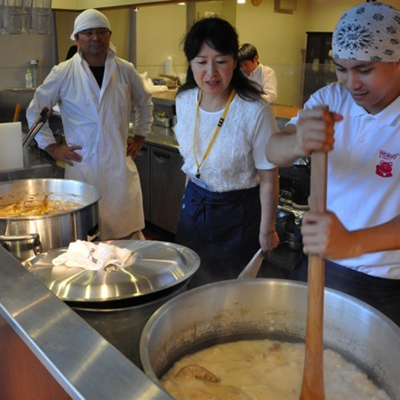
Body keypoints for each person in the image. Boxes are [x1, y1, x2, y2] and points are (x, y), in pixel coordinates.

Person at [266, 2, 400, 325]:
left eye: (364, 69)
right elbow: (272, 150)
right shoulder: (331, 99)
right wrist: (298, 142)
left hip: (382, 282)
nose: (351, 83)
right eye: (341, 68)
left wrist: (352, 242)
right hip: (316, 263)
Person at [27, 9, 153, 240]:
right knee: (86, 236)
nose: (95, 38)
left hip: (118, 166)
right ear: (76, 38)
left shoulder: (124, 69)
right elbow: (36, 111)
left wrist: (139, 137)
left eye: (101, 32)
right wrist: (52, 147)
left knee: (126, 236)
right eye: (88, 33)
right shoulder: (63, 73)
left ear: (109, 35)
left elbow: (145, 102)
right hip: (82, 164)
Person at [174, 17, 279, 288]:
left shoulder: (255, 110)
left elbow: (269, 176)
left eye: (220, 61)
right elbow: (192, 165)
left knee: (227, 293)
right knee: (188, 285)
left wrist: (267, 230)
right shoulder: (185, 100)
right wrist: (185, 208)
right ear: (190, 63)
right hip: (194, 206)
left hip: (238, 215)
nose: (211, 73)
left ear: (234, 61)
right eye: (201, 61)